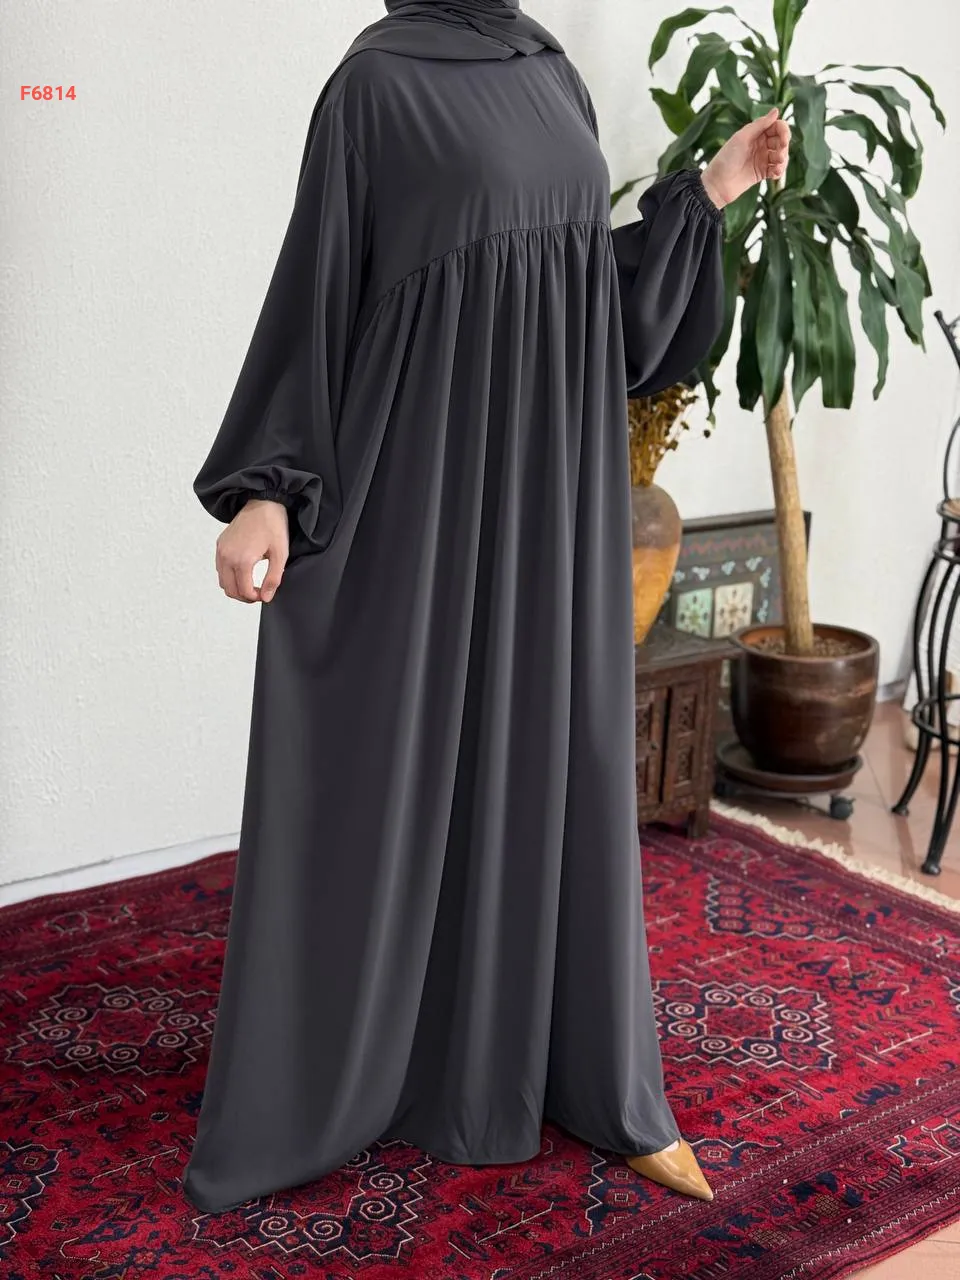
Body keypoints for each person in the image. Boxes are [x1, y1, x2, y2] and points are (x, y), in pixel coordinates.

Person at [183, 0, 790, 1215]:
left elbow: (590, 300)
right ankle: (348, 1069)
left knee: (544, 749)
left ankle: (573, 1067)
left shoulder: (549, 70)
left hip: (544, 495)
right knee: (390, 760)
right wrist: (266, 490)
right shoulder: (377, 89)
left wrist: (708, 193)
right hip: (420, 490)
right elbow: (317, 291)